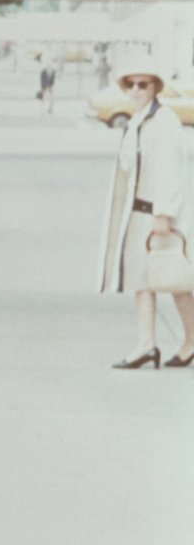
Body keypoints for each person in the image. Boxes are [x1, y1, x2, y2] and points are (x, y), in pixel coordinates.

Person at [97, 59, 194, 368]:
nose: (136, 90)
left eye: (143, 84)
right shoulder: (137, 120)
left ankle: (191, 341)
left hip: (159, 214)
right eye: (131, 84)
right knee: (141, 279)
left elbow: (169, 170)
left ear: (155, 87)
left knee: (174, 279)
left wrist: (164, 213)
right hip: (139, 213)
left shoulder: (164, 120)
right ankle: (146, 343)